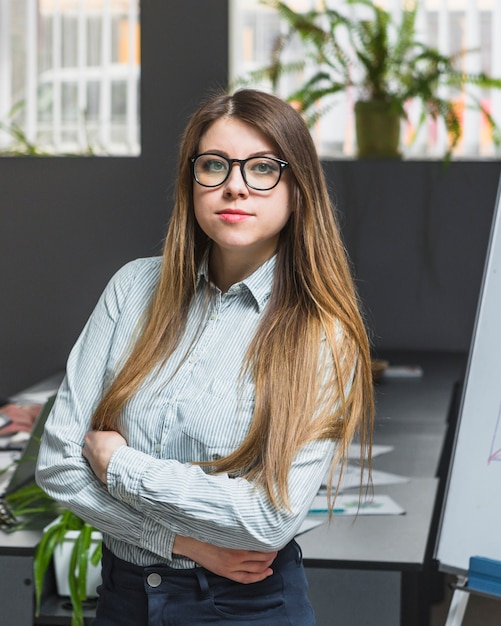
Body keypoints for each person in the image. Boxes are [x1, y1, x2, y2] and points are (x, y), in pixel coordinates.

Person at [36, 88, 374, 625]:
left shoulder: (321, 334)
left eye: (262, 168)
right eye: (214, 165)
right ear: (191, 182)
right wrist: (187, 542)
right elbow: (57, 466)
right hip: (124, 599)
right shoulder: (132, 289)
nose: (234, 185)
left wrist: (117, 464)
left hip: (246, 606)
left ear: (296, 189)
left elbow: (268, 520)